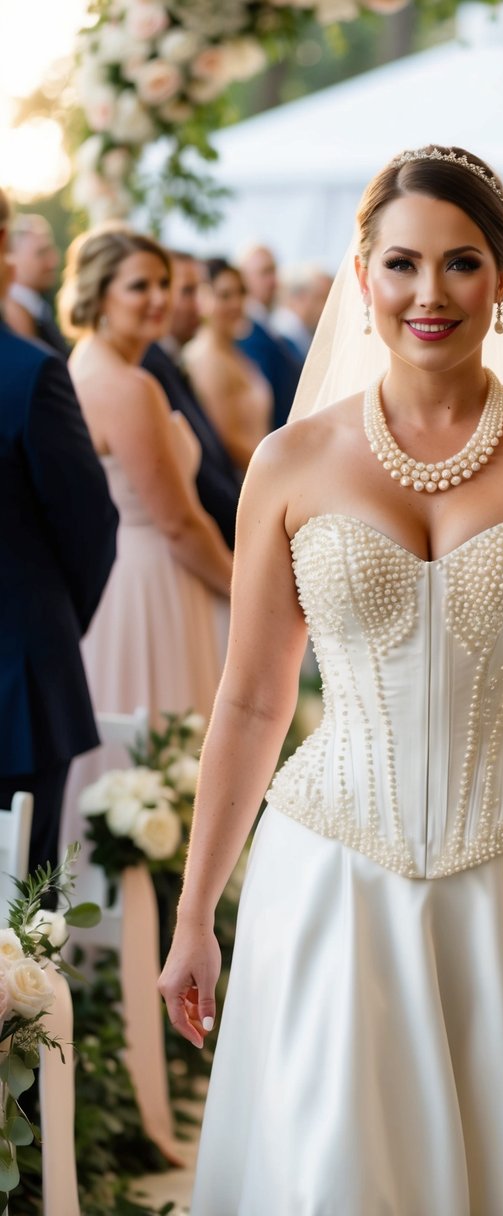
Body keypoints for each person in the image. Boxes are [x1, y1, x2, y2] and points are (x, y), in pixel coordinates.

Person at [160, 145, 503, 1215]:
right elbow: (256, 699)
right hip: (331, 877)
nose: (429, 293)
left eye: (461, 264)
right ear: (362, 278)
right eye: (402, 264)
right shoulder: (288, 461)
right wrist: (194, 911)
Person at [59, 227, 232, 856]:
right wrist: (248, 587)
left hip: (112, 581)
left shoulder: (81, 369)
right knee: (161, 737)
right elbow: (179, 521)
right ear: (99, 294)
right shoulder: (129, 388)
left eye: (164, 283)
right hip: (154, 577)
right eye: (140, 285)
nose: (158, 298)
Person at [0, 189, 118, 872]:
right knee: (21, 927)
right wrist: (48, 626)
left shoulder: (31, 369)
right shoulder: (29, 372)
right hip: (21, 684)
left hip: (21, 691)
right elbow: (91, 527)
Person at [142, 251, 242, 550]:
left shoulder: (171, 360)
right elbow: (199, 473)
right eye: (187, 291)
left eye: (202, 290)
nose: (201, 305)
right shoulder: (150, 367)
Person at [183, 257, 272, 474]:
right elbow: (225, 438)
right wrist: (276, 469)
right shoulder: (206, 358)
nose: (236, 303)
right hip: (245, 476)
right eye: (225, 295)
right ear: (204, 299)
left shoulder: (235, 352)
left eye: (240, 293)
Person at [237, 243, 303, 429]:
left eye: (274, 271)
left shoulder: (270, 326)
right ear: (243, 279)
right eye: (264, 273)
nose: (273, 281)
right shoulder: (246, 331)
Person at [4, 213, 71, 358]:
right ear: (12, 258)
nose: (53, 261)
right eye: (41, 253)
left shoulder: (34, 306)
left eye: (51, 250)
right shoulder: (14, 314)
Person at [272, 261, 333, 359]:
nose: (326, 307)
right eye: (321, 298)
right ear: (301, 297)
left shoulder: (302, 333)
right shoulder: (280, 335)